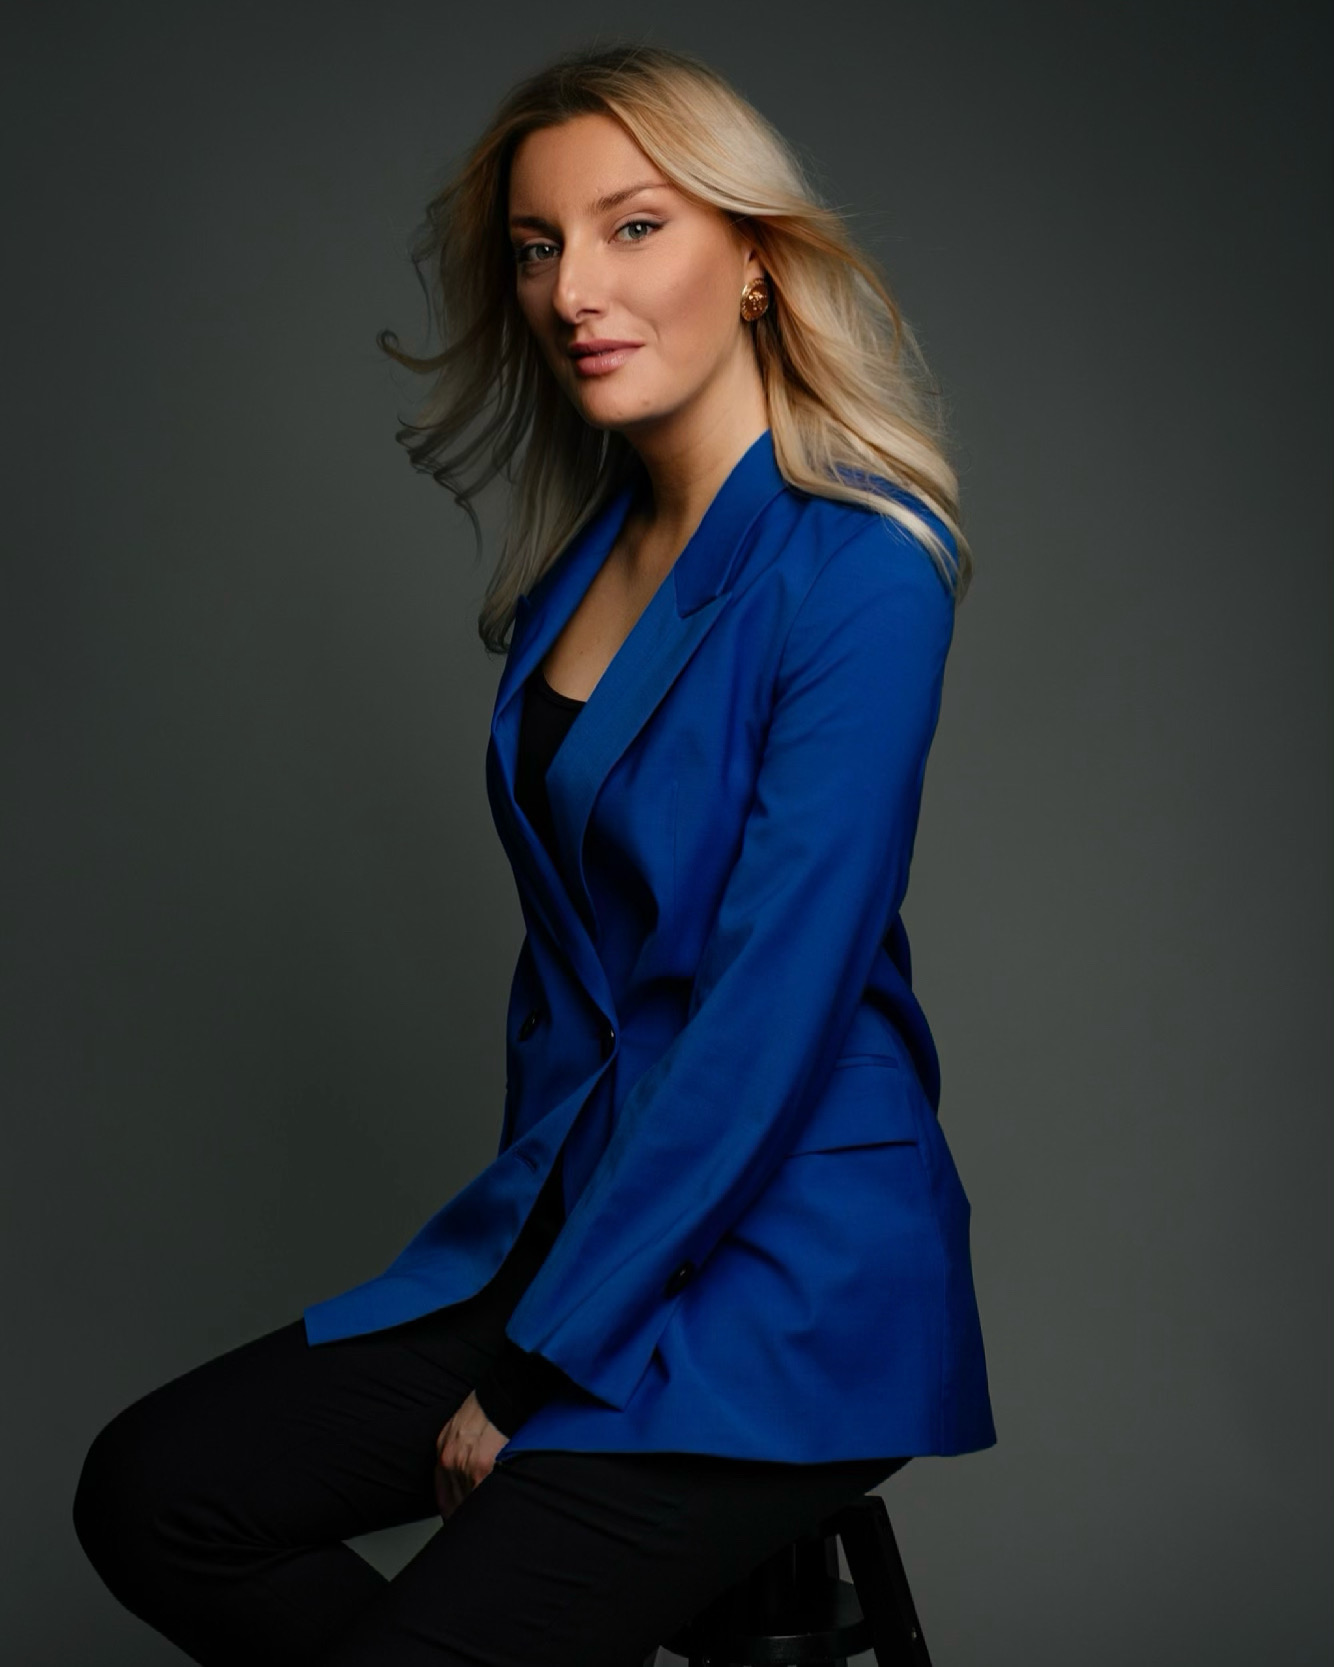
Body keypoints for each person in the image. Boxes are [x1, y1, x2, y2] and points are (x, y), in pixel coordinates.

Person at [72, 39, 995, 1667]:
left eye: (633, 227)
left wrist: (533, 1371)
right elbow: (577, 972)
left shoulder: (860, 565)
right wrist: (534, 1292)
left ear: (756, 259)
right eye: (536, 245)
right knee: (155, 1493)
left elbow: (763, 1014)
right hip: (588, 1225)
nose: (574, 288)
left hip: (781, 1281)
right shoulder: (585, 563)